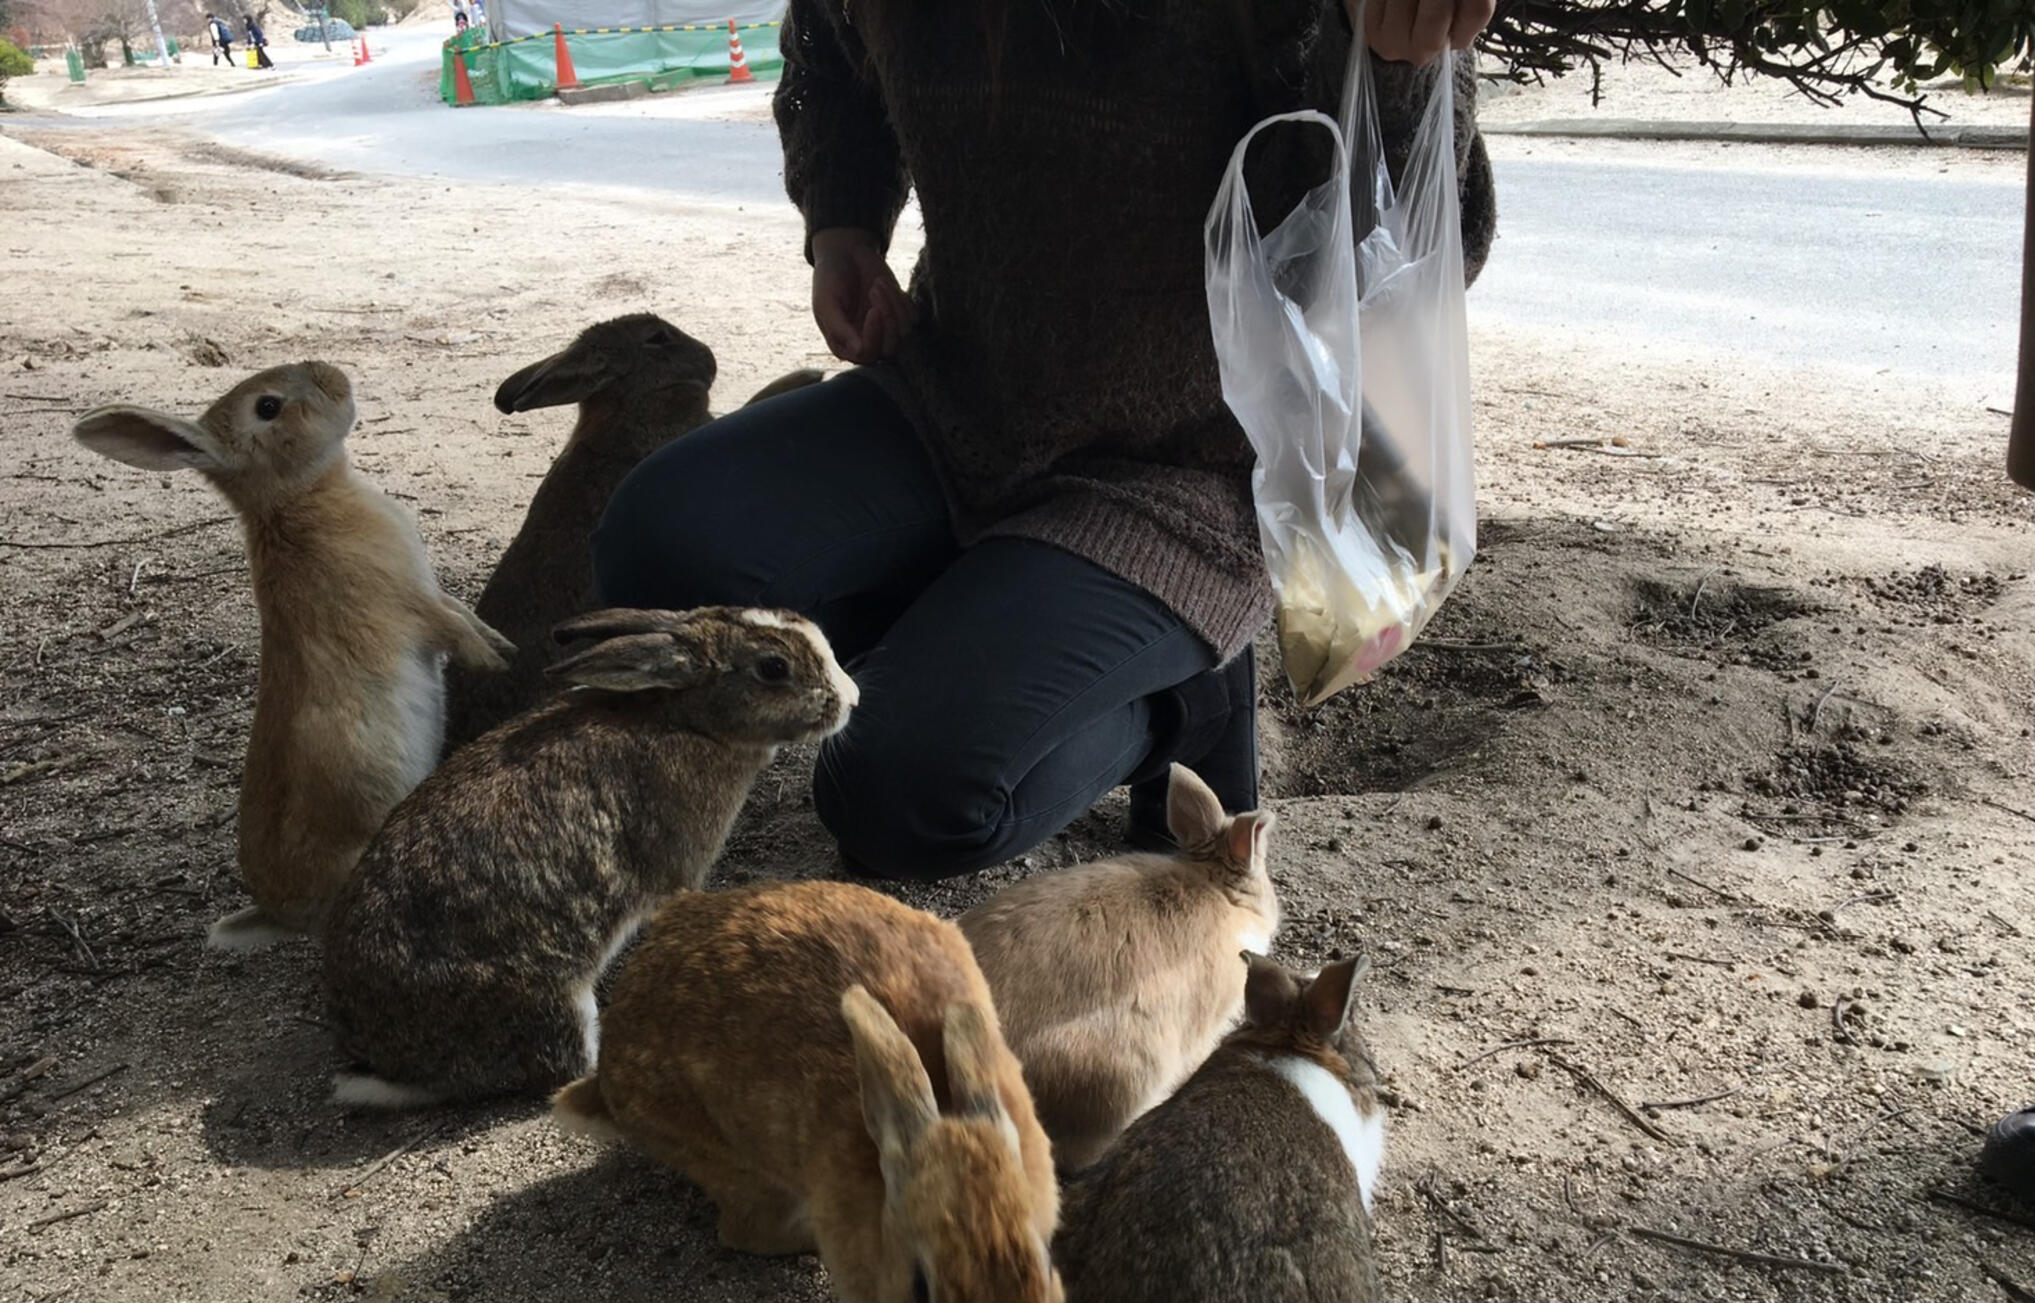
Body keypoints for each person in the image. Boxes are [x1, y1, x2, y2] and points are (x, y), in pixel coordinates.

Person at [593, 0, 1497, 881]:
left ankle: (1190, 705)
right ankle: (994, 631)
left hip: (1184, 461)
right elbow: (827, 46)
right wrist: (843, 223)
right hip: (956, 390)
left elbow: (1426, 244)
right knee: (657, 543)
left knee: (895, 796)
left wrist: (1389, 68)